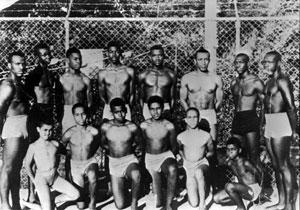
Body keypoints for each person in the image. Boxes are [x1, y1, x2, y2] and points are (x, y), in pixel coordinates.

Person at [262, 51, 298, 210]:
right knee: (276, 165)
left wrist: (294, 130)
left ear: (278, 62)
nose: (267, 65)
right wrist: (262, 125)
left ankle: (289, 206)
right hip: (269, 123)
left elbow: (291, 107)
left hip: (281, 121)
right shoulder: (269, 82)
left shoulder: (283, 81)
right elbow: (264, 107)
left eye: (270, 62)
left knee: (283, 164)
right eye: (265, 62)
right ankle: (282, 202)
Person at [20, 118, 80, 210]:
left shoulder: (55, 144)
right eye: (45, 130)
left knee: (76, 194)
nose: (48, 133)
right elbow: (27, 165)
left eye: (50, 130)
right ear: (38, 129)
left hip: (54, 178)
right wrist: (34, 180)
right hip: (41, 180)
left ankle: (54, 200)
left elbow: (67, 152)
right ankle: (24, 203)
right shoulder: (33, 146)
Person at [100, 98, 142, 210]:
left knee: (136, 175)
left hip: (129, 160)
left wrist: (136, 153)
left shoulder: (132, 126)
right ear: (112, 112)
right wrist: (114, 150)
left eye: (122, 111)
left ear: (126, 110)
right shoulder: (105, 127)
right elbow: (103, 143)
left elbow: (140, 144)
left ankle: (134, 204)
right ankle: (124, 190)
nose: (120, 114)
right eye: (116, 112)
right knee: (120, 205)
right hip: (114, 163)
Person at [0, 51, 29, 210]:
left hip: (24, 125)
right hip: (13, 126)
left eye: (23, 63)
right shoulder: (7, 85)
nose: (22, 67)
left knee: (17, 168)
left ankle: (16, 204)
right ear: (9, 65)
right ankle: (5, 205)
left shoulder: (21, 84)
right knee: (8, 167)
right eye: (18, 64)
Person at [140, 95, 178, 210]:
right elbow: (142, 144)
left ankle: (169, 204)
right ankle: (159, 189)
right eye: (152, 109)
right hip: (150, 159)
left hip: (165, 156)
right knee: (158, 203)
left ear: (162, 108)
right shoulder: (144, 125)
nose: (155, 112)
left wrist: (171, 161)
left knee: (172, 169)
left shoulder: (169, 125)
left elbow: (174, 146)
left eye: (158, 108)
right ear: (149, 110)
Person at [180, 47, 223, 142]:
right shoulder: (187, 78)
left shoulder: (216, 78)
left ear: (209, 60)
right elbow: (182, 99)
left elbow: (219, 101)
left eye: (206, 59)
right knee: (192, 143)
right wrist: (190, 113)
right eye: (200, 59)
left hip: (210, 112)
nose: (203, 63)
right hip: (193, 113)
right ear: (195, 61)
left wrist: (212, 111)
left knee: (212, 142)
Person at [61, 103, 99, 210]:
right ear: (73, 116)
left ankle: (92, 202)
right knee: (81, 206)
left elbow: (99, 143)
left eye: (83, 114)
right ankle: (85, 193)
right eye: (77, 115)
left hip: (90, 161)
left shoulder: (93, 131)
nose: (81, 117)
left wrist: (92, 152)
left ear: (87, 114)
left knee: (92, 176)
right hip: (76, 165)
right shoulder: (69, 133)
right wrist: (70, 154)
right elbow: (60, 147)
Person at [230, 53, 264, 170]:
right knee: (238, 156)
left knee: (254, 155)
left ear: (247, 63)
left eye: (241, 62)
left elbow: (264, 105)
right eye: (236, 62)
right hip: (238, 118)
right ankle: (244, 184)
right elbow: (236, 105)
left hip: (250, 117)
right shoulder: (234, 83)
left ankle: (262, 186)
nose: (237, 65)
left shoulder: (256, 82)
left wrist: (261, 123)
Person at [177, 107, 214, 210]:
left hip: (202, 164)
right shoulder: (181, 137)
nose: (192, 120)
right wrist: (183, 158)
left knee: (198, 172)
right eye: (189, 117)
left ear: (199, 118)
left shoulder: (206, 135)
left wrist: (202, 158)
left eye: (195, 117)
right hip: (189, 167)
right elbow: (179, 149)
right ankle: (195, 190)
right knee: (193, 203)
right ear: (185, 119)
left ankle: (203, 204)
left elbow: (211, 151)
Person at [213, 137, 262, 210]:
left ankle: (241, 207)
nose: (230, 152)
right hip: (242, 191)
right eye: (228, 150)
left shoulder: (245, 162)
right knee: (216, 198)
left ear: (239, 150)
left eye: (233, 149)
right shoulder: (231, 163)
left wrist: (261, 191)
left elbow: (259, 175)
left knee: (228, 186)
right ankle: (243, 202)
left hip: (252, 190)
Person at [98, 41, 135, 121]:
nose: (114, 55)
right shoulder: (102, 73)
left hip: (124, 107)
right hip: (109, 108)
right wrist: (108, 106)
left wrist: (128, 107)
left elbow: (132, 93)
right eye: (111, 52)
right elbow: (101, 95)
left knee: (126, 132)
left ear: (121, 53)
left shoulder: (129, 71)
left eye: (116, 52)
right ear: (107, 54)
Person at [138, 45, 177, 120]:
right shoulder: (143, 75)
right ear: (150, 57)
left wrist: (170, 111)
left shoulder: (171, 74)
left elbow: (173, 97)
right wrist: (143, 111)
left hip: (165, 107)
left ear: (164, 56)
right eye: (154, 55)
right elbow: (141, 97)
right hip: (148, 107)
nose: (157, 58)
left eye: (160, 55)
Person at [60, 47, 92, 133]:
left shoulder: (85, 79)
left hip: (80, 113)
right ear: (67, 60)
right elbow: (58, 101)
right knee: (67, 140)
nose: (78, 61)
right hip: (66, 113)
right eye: (75, 59)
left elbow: (89, 102)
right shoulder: (62, 79)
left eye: (80, 59)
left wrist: (88, 115)